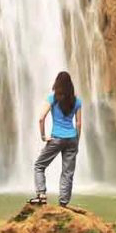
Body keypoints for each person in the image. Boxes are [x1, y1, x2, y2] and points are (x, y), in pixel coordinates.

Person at [28, 71, 82, 207]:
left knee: (39, 166)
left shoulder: (52, 98)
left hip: (56, 138)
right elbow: (79, 123)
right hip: (71, 139)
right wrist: (77, 141)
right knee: (67, 173)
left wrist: (43, 136)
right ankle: (63, 204)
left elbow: (41, 118)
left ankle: (41, 195)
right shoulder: (77, 101)